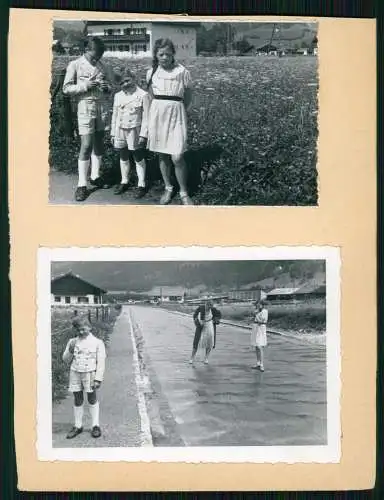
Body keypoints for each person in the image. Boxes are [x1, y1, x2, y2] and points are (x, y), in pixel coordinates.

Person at [62, 37, 115, 202]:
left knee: (99, 142)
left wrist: (108, 89)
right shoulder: (75, 65)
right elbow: (66, 89)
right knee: (86, 145)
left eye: (99, 56)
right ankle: (82, 184)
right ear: (86, 50)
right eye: (94, 56)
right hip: (85, 106)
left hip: (101, 107)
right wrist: (85, 86)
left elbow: (111, 86)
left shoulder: (103, 66)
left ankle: (95, 175)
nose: (96, 59)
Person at [146, 38, 194, 205]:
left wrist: (179, 109)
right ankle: (168, 188)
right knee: (162, 155)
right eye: (161, 54)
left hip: (177, 115)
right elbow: (151, 97)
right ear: (156, 55)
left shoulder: (182, 72)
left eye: (167, 54)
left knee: (178, 156)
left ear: (173, 54)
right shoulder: (152, 72)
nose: (164, 57)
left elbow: (188, 96)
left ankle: (184, 192)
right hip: (158, 116)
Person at [62, 317, 106, 439]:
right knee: (77, 398)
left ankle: (95, 425)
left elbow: (101, 362)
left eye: (83, 329)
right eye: (78, 330)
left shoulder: (97, 342)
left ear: (89, 327)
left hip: (90, 373)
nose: (80, 332)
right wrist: (70, 350)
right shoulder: (72, 341)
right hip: (75, 372)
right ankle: (78, 425)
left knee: (92, 398)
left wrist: (98, 378)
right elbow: (65, 360)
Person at [110, 68, 150, 198]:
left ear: (134, 79)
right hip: (120, 129)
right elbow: (115, 115)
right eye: (121, 83)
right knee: (123, 154)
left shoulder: (143, 95)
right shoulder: (118, 96)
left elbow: (146, 117)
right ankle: (124, 181)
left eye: (127, 80)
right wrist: (113, 133)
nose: (125, 84)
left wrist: (143, 134)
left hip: (135, 130)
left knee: (137, 155)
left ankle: (142, 184)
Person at [190, 297, 221, 365]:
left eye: (210, 307)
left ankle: (206, 358)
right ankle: (192, 358)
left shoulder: (213, 309)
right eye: (208, 306)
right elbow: (195, 315)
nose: (208, 308)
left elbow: (218, 315)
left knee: (209, 341)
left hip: (209, 325)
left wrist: (215, 320)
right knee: (197, 341)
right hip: (201, 326)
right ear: (205, 304)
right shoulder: (201, 307)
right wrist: (198, 322)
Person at [250, 300, 268, 371]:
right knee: (256, 346)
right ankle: (258, 363)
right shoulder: (256, 311)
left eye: (259, 304)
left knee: (260, 346)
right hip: (255, 328)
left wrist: (256, 315)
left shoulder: (265, 311)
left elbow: (262, 321)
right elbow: (255, 319)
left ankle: (262, 364)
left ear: (262, 305)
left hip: (261, 328)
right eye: (257, 304)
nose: (258, 306)